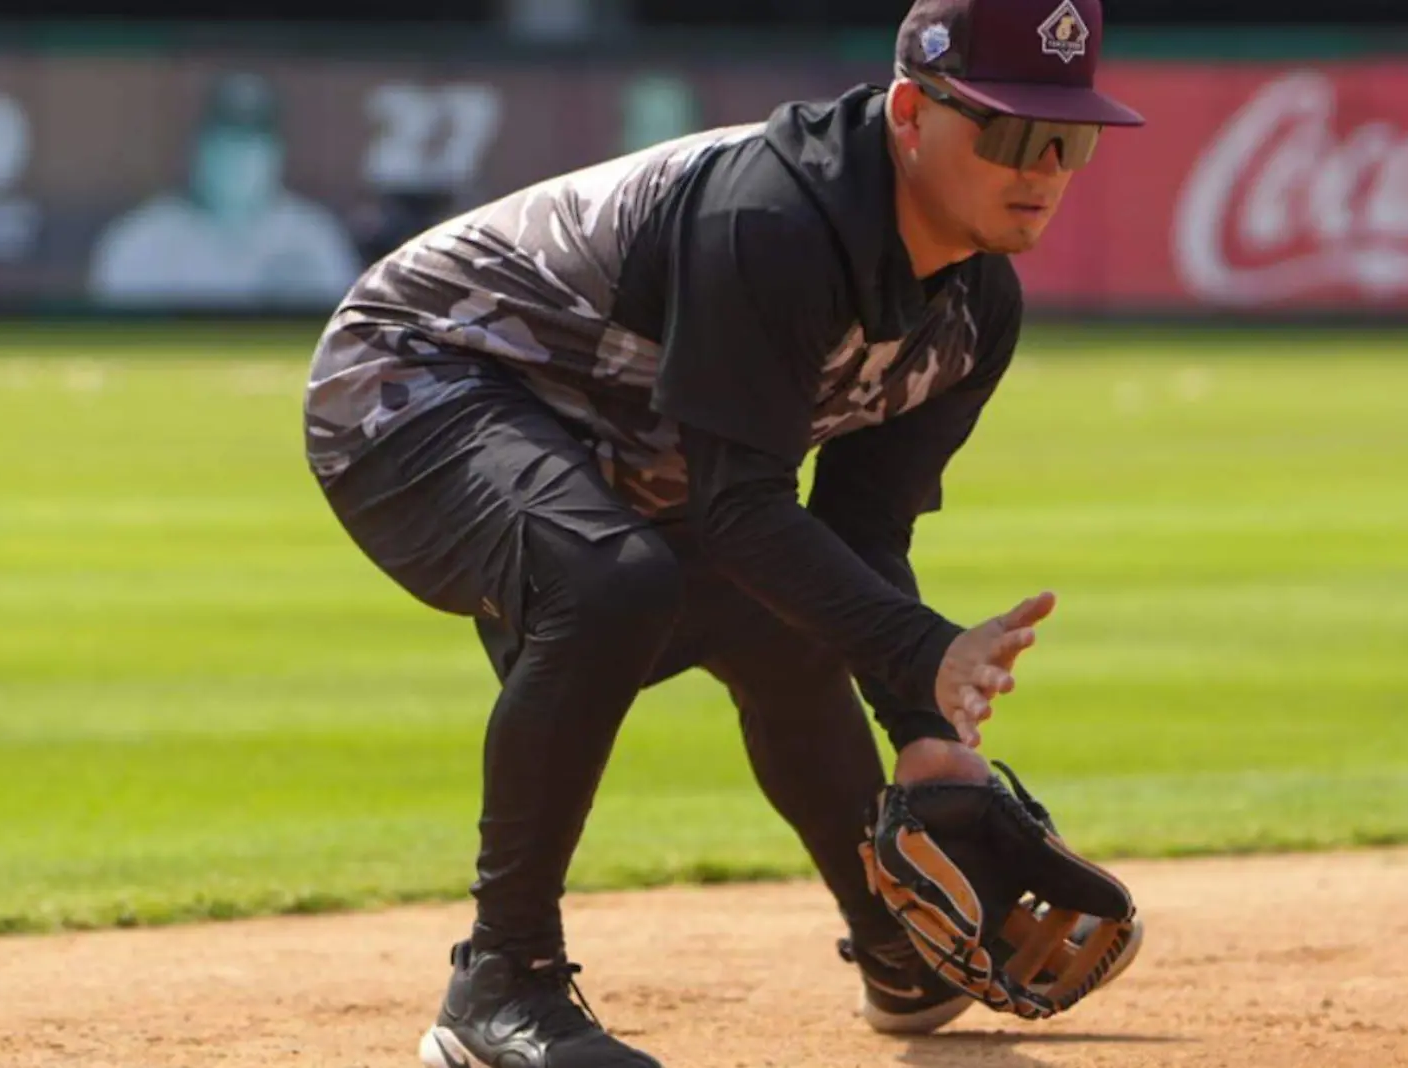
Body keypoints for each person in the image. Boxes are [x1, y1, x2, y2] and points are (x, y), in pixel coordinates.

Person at [300, 1, 1144, 1065]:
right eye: (1010, 133)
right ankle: (498, 986)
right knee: (613, 582)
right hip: (418, 380)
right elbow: (739, 504)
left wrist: (921, 730)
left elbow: (854, 529)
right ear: (909, 114)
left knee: (785, 612)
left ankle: (896, 951)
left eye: (1067, 141)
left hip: (615, 424)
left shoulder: (978, 308)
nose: (1043, 170)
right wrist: (925, 651)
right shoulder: (773, 221)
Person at [90, 71, 361, 310]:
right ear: (197, 147)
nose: (237, 156)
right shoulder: (140, 239)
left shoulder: (316, 237)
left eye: (251, 140)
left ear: (277, 152)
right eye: (225, 139)